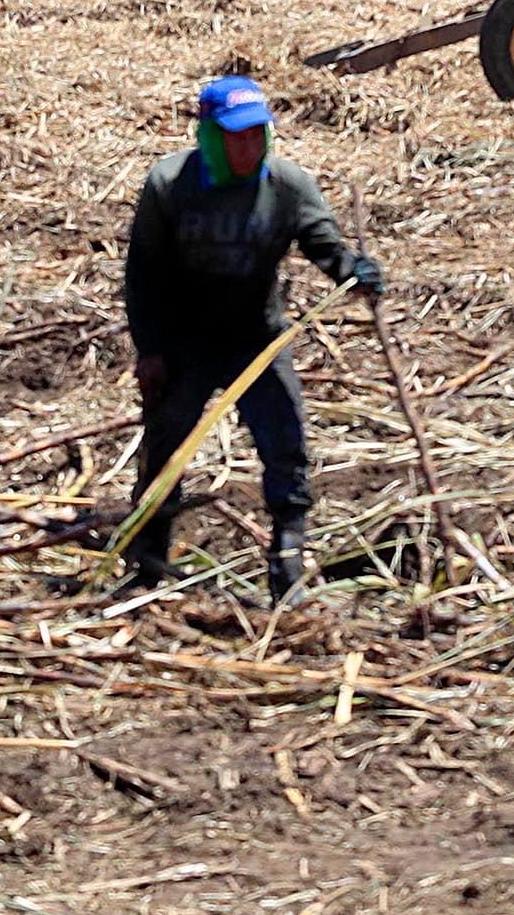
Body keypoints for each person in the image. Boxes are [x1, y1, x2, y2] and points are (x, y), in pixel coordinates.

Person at [121, 76, 383, 602]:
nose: (248, 147)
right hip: (185, 341)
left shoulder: (286, 186)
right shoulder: (170, 185)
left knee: (284, 440)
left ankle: (287, 557)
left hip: (255, 339)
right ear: (210, 136)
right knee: (166, 448)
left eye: (257, 134)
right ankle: (147, 554)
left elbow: (322, 245)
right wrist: (149, 349)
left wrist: (354, 270)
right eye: (236, 137)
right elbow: (143, 275)